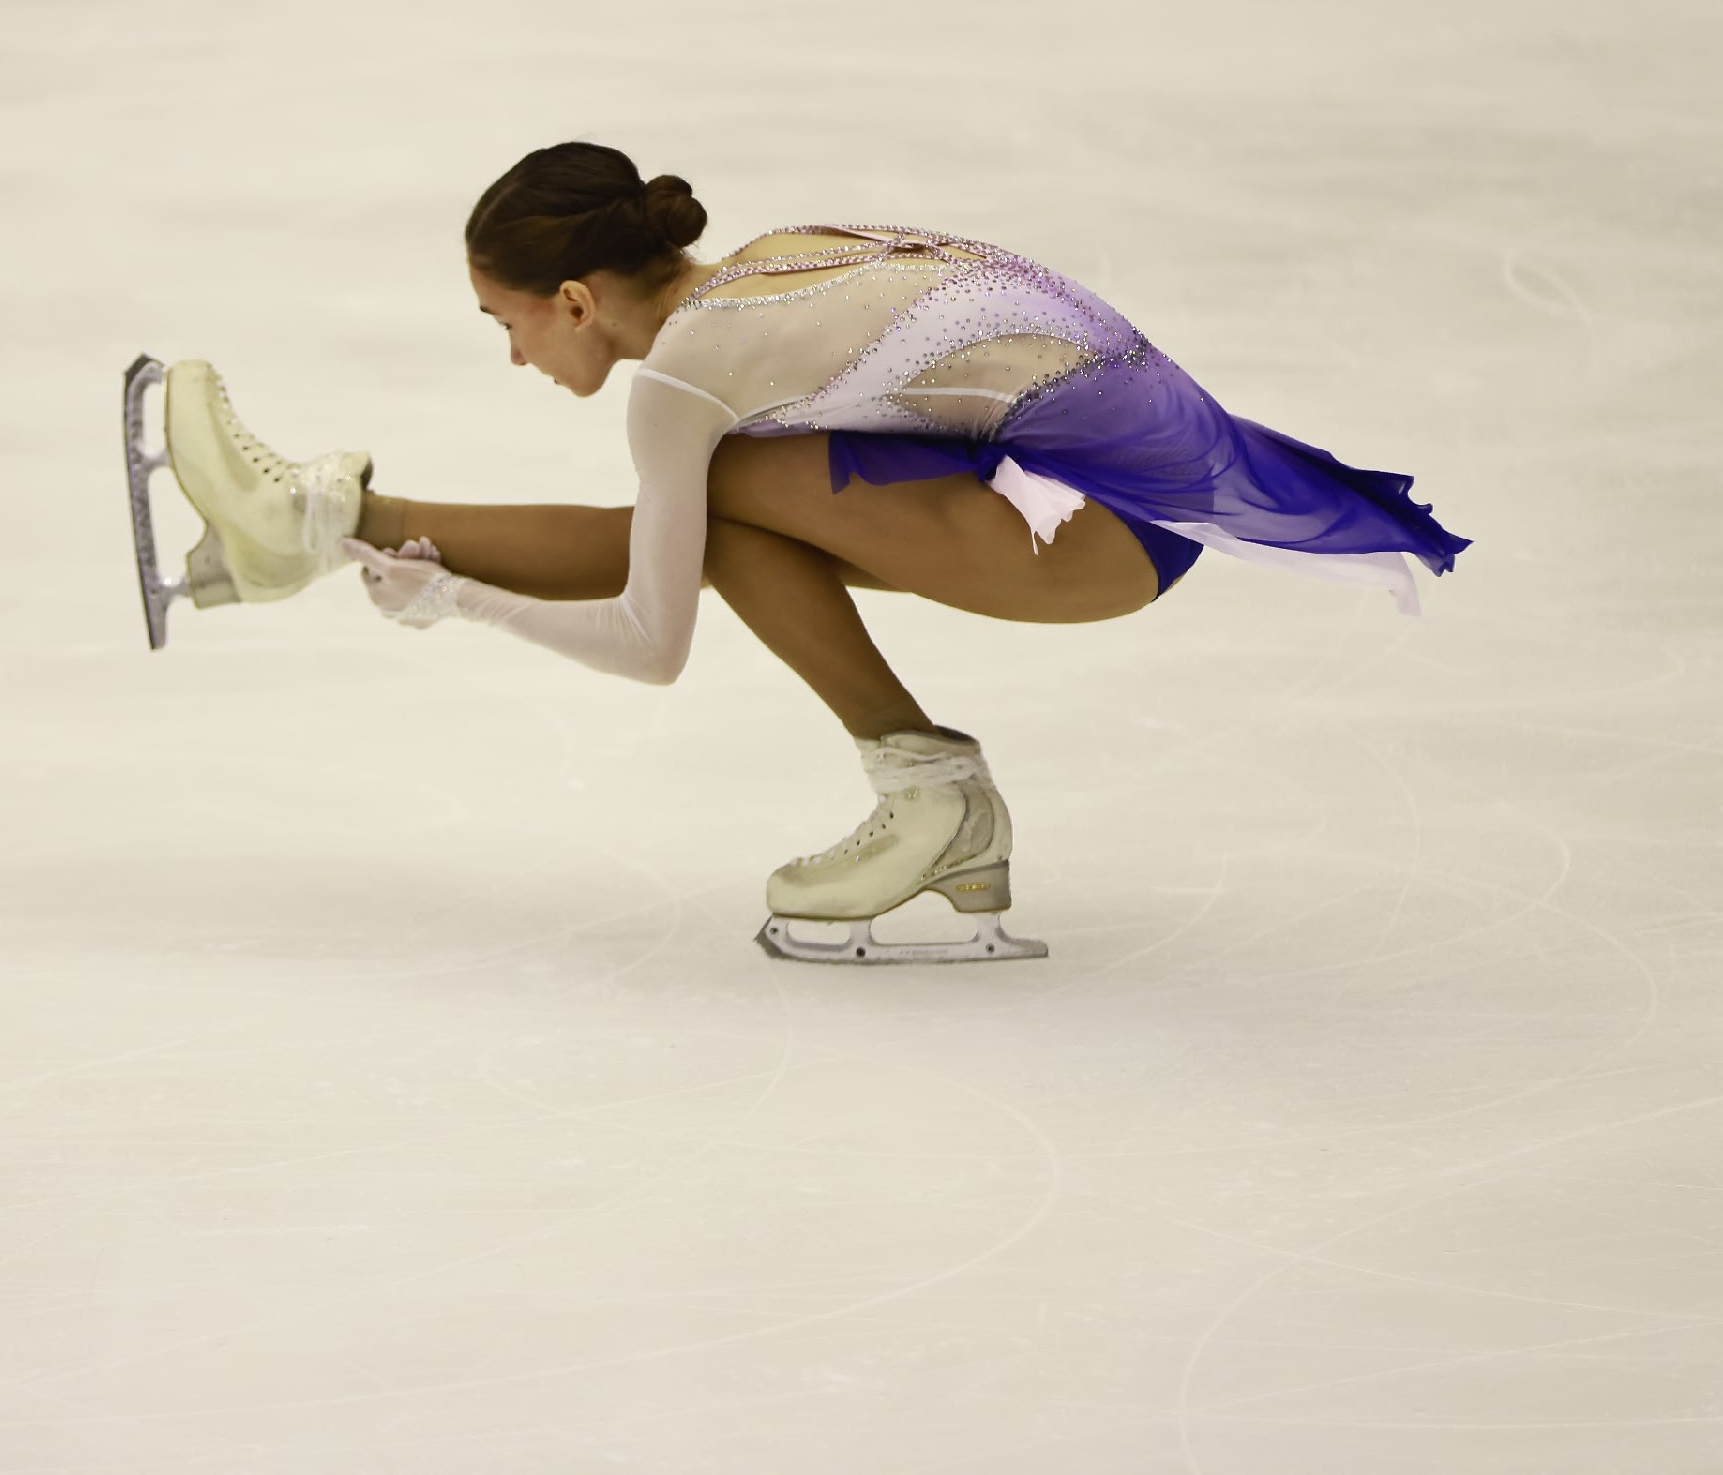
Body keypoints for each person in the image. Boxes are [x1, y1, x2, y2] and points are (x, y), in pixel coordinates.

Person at [123, 142, 1472, 964]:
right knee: (721, 508)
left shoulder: (684, 383)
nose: (515, 357)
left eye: (507, 324)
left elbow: (651, 645)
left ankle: (932, 795)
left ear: (577, 301)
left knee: (720, 495)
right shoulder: (762, 269)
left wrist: (456, 601)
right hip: (1106, 507)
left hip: (1097, 531)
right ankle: (313, 524)